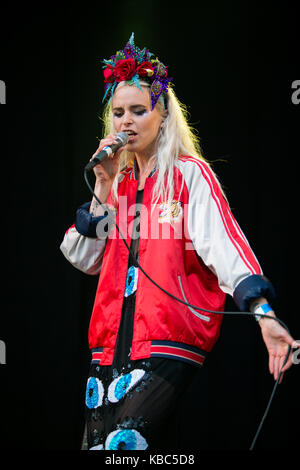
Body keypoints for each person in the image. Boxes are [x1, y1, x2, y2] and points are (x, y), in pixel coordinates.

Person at [60, 33, 296, 451]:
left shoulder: (189, 176)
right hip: (108, 347)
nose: (125, 122)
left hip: (166, 342)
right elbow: (84, 255)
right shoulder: (116, 182)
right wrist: (103, 183)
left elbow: (226, 247)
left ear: (163, 115)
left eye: (137, 110)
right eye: (117, 113)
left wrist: (263, 314)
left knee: (120, 447)